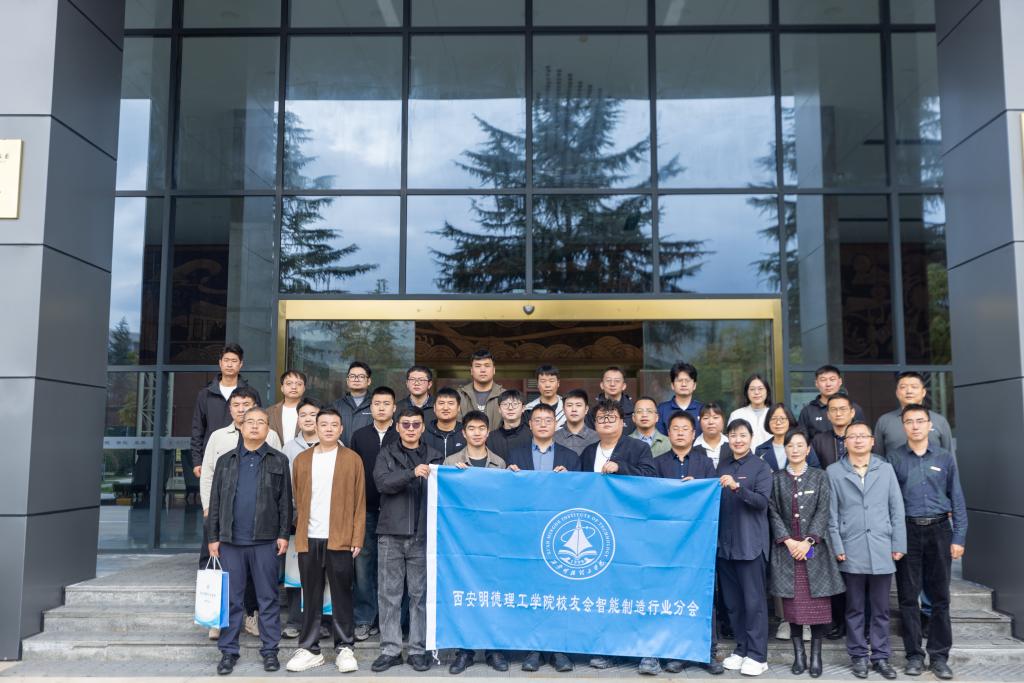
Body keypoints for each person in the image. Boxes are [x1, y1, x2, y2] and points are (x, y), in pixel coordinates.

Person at [206, 407, 291, 676]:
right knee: (232, 600)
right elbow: (216, 501)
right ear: (241, 427)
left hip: (265, 541)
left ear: (268, 428)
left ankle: (270, 651)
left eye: (260, 422)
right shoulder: (226, 460)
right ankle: (228, 652)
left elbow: (285, 501)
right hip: (231, 541)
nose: (254, 426)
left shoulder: (278, 460)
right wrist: (213, 537)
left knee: (268, 598)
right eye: (249, 422)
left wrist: (283, 534)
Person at [286, 408, 365, 674]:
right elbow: (297, 496)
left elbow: (359, 501)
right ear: (315, 428)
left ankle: (345, 648)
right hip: (309, 537)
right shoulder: (302, 460)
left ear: (341, 429)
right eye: (324, 424)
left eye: (334, 425)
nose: (329, 429)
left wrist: (357, 536)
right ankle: (310, 649)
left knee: (342, 593)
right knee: (310, 594)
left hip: (340, 538)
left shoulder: (351, 459)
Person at [199, 387, 282, 640]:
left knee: (257, 578)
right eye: (236, 405)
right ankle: (216, 618)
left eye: (247, 404)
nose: (241, 409)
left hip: (260, 525)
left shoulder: (271, 436)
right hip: (221, 518)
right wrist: (208, 508)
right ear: (230, 409)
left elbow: (278, 476)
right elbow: (208, 474)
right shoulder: (217, 436)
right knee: (218, 570)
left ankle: (252, 616)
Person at [891, 404, 966, 680]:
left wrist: (959, 536)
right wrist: (894, 539)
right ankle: (913, 655)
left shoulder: (945, 458)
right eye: (909, 421)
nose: (915, 426)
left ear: (929, 425)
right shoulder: (894, 458)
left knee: (940, 598)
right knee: (908, 598)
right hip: (907, 531)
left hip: (939, 530)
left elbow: (957, 498)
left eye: (920, 421)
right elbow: (889, 502)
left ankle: (939, 656)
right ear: (903, 426)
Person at [827, 422, 906, 680]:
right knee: (855, 608)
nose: (858, 440)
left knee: (881, 609)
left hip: (882, 546)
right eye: (853, 436)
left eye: (863, 436)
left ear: (872, 441)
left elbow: (897, 508)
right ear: (845, 442)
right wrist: (837, 545)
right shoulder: (834, 472)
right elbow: (831, 514)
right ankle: (858, 655)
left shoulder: (885, 469)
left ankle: (881, 657)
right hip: (851, 548)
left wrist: (899, 544)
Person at [768, 429, 845, 678]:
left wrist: (809, 541)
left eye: (800, 445)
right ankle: (799, 655)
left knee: (818, 608)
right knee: (793, 608)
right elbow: (772, 511)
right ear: (785, 449)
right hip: (787, 550)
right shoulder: (776, 478)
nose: (795, 449)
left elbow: (824, 510)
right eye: (791, 445)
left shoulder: (820, 476)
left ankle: (816, 656)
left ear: (808, 449)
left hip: (815, 551)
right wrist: (789, 541)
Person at [371, 407, 443, 673]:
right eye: (406, 424)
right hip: (390, 533)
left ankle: (417, 650)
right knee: (389, 595)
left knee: (419, 596)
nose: (411, 429)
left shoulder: (435, 455)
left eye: (415, 424)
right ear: (398, 427)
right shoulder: (386, 453)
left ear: (423, 427)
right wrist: (412, 473)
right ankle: (390, 650)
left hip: (423, 536)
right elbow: (383, 483)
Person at [652, 411, 724, 676]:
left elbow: (715, 497)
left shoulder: (705, 464)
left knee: (703, 595)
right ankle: (676, 652)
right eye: (675, 428)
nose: (680, 432)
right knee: (671, 595)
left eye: (685, 428)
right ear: (668, 433)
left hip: (699, 542)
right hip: (667, 544)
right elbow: (652, 499)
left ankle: (708, 652)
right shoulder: (658, 463)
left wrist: (699, 487)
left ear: (694, 434)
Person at [443, 410, 510, 674]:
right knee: (465, 594)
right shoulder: (451, 462)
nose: (477, 433)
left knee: (493, 594)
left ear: (488, 432)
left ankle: (494, 650)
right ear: (464, 432)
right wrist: (454, 478)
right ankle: (465, 651)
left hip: (493, 541)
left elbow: (505, 501)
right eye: (471, 428)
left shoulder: (499, 463)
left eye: (481, 428)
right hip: (461, 541)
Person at [191, 344, 260, 568]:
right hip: (216, 454)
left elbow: (258, 422)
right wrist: (197, 460)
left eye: (234, 361)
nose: (230, 364)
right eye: (226, 360)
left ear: (241, 364)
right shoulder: (206, 393)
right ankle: (208, 576)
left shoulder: (250, 392)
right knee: (211, 522)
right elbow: (197, 429)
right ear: (220, 364)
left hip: (244, 455)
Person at [716, 419, 773, 677]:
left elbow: (762, 502)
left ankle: (758, 655)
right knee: (734, 603)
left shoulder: (761, 467)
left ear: (751, 438)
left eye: (742, 435)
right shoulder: (723, 465)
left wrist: (737, 487)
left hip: (750, 545)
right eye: (733, 435)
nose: (737, 440)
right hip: (725, 547)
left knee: (754, 603)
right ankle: (741, 649)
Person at [349, 386, 399, 643]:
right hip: (365, 509)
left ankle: (389, 620)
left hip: (395, 512)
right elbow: (353, 474)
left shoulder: (401, 434)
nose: (381, 407)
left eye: (386, 403)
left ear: (394, 407)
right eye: (377, 403)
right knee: (363, 567)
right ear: (370, 408)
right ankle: (364, 619)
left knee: (390, 568)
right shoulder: (359, 435)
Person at [281, 397, 321, 639]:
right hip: (297, 521)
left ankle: (322, 620)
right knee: (295, 573)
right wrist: (293, 515)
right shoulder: (288, 448)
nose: (308, 419)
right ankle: (295, 620)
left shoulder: (335, 444)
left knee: (322, 573)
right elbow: (285, 486)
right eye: (303, 415)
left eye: (313, 414)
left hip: (325, 522)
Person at [874, 372, 954, 458]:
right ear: (897, 393)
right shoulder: (884, 421)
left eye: (914, 387)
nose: (909, 391)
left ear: (923, 392)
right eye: (903, 387)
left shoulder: (940, 421)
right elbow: (878, 459)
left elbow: (949, 457)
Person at [580, 398, 657, 478]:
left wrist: (620, 468)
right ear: (595, 424)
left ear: (621, 422)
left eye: (612, 417)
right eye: (601, 418)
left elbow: (650, 475)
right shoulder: (588, 452)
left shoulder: (639, 447)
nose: (606, 421)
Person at [507, 403, 581, 474]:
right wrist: (508, 474)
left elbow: (577, 482)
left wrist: (568, 477)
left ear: (555, 424)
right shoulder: (515, 455)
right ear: (530, 424)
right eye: (537, 421)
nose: (543, 425)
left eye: (548, 421)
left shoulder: (571, 457)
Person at [798, 365, 865, 437]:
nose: (828, 384)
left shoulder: (853, 408)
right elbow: (802, 438)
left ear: (840, 382)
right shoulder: (808, 411)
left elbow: (862, 435)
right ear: (816, 383)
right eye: (823, 380)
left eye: (832, 379)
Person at [755, 403, 822, 473]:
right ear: (768, 422)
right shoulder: (761, 450)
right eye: (774, 419)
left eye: (782, 418)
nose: (778, 422)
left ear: (789, 420)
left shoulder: (803, 445)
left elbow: (816, 471)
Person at [456, 350, 505, 427]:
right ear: (471, 371)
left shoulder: (505, 396)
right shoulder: (459, 395)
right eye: (478, 366)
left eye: (487, 366)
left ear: (494, 370)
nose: (483, 370)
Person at [656, 362, 704, 436]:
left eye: (687, 381)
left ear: (694, 385)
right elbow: (659, 438)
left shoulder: (702, 409)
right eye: (679, 380)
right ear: (672, 385)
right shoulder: (662, 409)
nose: (684, 384)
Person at [332, 361, 374, 447]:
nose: (356, 379)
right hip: (342, 452)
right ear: (347, 381)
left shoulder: (376, 405)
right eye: (352, 376)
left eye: (361, 376)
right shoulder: (336, 406)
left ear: (369, 381)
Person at [585, 366, 636, 433]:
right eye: (608, 380)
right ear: (602, 385)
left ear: (624, 386)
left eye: (617, 381)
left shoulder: (633, 409)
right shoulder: (592, 409)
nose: (612, 384)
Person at [485, 389, 532, 461]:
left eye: (515, 404)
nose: (510, 408)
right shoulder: (490, 438)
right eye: (505, 404)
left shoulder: (532, 435)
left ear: (523, 408)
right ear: (499, 409)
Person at [811, 395, 856, 468]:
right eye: (833, 410)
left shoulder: (863, 438)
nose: (838, 414)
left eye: (843, 409)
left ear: (852, 413)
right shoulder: (818, 441)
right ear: (828, 415)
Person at [728, 374, 772, 448]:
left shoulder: (774, 415)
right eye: (752, 389)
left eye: (760, 388)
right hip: (743, 455)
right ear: (747, 392)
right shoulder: (736, 415)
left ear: (767, 391)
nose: (756, 392)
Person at [423, 387, 467, 458]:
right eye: (441, 403)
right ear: (434, 407)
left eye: (450, 403)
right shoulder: (423, 433)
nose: (445, 408)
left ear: (458, 408)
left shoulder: (466, 433)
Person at [553, 389, 599, 455]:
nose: (574, 409)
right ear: (563, 409)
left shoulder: (597, 438)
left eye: (578, 405)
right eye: (569, 405)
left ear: (586, 409)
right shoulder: (554, 438)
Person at [266, 369, 306, 443]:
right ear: (282, 388)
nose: (294, 387)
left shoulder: (313, 412)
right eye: (289, 383)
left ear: (304, 388)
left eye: (299, 384)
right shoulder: (269, 412)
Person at [695, 403, 732, 468]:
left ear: (723, 420)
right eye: (706, 418)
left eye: (715, 417)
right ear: (699, 422)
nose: (711, 422)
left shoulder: (732, 445)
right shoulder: (692, 447)